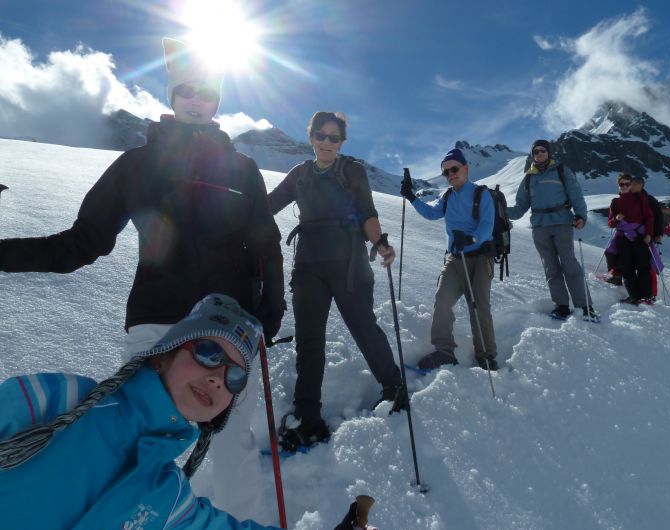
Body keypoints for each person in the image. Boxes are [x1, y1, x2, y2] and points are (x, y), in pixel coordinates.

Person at [0, 38, 284, 522]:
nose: (196, 99)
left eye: (206, 91)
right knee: (133, 435)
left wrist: (267, 318)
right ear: (172, 94)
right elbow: (81, 243)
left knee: (233, 441)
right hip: (158, 322)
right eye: (186, 89)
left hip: (229, 328)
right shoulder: (138, 165)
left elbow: (265, 246)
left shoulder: (242, 169)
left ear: (218, 100)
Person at [0, 294, 279, 529]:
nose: (218, 378)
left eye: (235, 377)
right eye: (208, 353)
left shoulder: (167, 497)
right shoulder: (60, 400)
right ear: (164, 355)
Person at [268, 111, 406, 452]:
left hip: (349, 265)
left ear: (341, 142)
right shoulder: (300, 174)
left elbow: (367, 212)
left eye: (334, 137)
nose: (327, 142)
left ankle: (394, 387)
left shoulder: (351, 171)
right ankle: (307, 415)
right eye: (321, 135)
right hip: (308, 267)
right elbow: (268, 205)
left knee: (363, 326)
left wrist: (379, 242)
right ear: (311, 137)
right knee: (309, 339)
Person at [401, 147, 498, 370]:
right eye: (446, 172)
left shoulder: (481, 193)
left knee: (479, 306)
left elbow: (487, 225)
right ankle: (444, 350)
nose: (450, 174)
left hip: (480, 258)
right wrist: (411, 196)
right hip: (455, 259)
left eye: (454, 169)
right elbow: (432, 213)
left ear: (465, 168)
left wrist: (472, 238)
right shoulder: (447, 196)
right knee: (442, 300)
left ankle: (486, 355)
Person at [506, 140, 597, 320]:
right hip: (540, 227)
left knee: (569, 264)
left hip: (562, 223)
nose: (539, 154)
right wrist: (500, 208)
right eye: (536, 151)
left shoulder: (561, 170)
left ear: (548, 152)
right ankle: (561, 306)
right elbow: (520, 207)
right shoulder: (529, 177)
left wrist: (581, 215)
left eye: (542, 151)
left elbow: (575, 194)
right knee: (551, 268)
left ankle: (585, 306)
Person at [608, 173, 654, 304]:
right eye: (621, 184)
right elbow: (610, 223)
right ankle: (635, 297)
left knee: (643, 266)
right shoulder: (615, 202)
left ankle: (646, 297)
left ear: (631, 185)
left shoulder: (640, 199)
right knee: (627, 268)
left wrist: (649, 234)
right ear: (618, 185)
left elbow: (649, 217)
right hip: (623, 238)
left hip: (639, 236)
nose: (624, 186)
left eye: (627, 184)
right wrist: (616, 219)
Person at [629, 175, 664, 299]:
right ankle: (639, 292)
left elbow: (658, 217)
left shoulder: (650, 200)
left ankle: (651, 293)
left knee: (648, 265)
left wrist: (658, 234)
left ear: (640, 185)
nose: (630, 186)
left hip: (647, 236)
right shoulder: (630, 199)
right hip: (633, 235)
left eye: (633, 184)